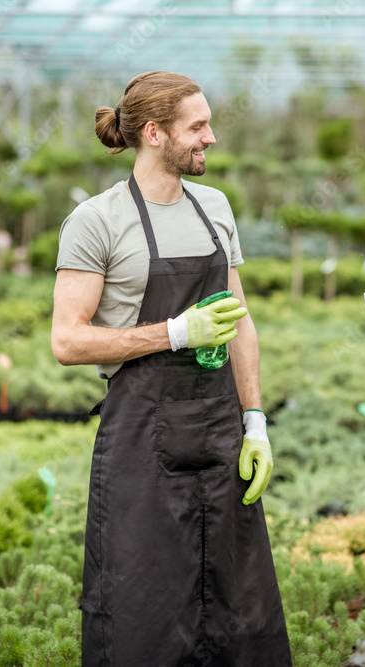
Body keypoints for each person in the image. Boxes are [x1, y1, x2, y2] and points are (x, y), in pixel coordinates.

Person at [51, 71, 291, 666]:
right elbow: (68, 341)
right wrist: (175, 332)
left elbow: (241, 323)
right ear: (155, 133)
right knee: (144, 611)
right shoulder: (97, 221)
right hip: (141, 442)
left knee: (239, 610)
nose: (211, 138)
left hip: (218, 435)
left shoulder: (214, 208)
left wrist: (255, 420)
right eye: (198, 126)